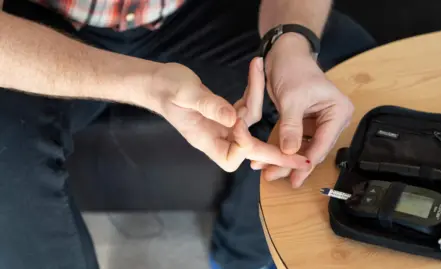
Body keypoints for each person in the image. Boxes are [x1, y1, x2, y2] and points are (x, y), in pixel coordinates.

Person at [0, 0, 376, 268]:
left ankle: (245, 257)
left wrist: (290, 44)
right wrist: (147, 83)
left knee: (347, 72)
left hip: (188, 11)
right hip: (34, 24)